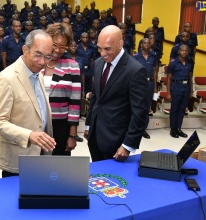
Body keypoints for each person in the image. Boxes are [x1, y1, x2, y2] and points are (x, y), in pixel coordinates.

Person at [0, 29, 56, 177]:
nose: (42, 62)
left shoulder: (37, 73)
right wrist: (29, 135)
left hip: (40, 155)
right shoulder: (6, 78)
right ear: (25, 49)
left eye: (47, 57)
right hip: (17, 161)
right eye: (37, 55)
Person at [84, 25, 149, 162]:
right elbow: (96, 98)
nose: (102, 53)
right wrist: (89, 125)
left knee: (114, 181)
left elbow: (140, 112)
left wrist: (128, 144)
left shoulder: (135, 70)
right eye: (99, 48)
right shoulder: (98, 63)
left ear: (120, 43)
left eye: (107, 49)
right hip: (94, 136)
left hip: (116, 141)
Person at [40, 23, 82, 155]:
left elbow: (75, 104)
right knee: (36, 168)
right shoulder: (36, 63)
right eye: (55, 45)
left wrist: (72, 135)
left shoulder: (72, 66)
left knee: (58, 170)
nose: (58, 50)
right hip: (36, 125)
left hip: (61, 126)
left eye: (63, 47)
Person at [166, 45, 193, 138]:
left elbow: (190, 77)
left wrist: (191, 90)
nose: (184, 52)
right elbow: (168, 78)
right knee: (174, 109)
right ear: (179, 51)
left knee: (182, 109)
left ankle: (178, 128)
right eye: (182, 50)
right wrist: (168, 92)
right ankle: (173, 129)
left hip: (186, 87)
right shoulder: (173, 63)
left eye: (186, 50)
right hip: (176, 87)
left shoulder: (190, 62)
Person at [134, 38, 158, 139]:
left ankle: (143, 129)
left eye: (148, 43)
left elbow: (155, 71)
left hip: (149, 83)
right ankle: (135, 129)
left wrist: (155, 87)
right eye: (145, 43)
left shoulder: (153, 56)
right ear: (141, 45)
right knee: (137, 106)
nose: (147, 45)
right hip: (139, 84)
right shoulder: (136, 57)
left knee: (147, 107)